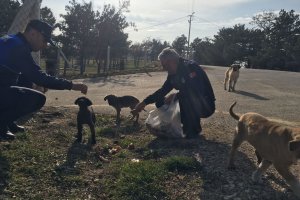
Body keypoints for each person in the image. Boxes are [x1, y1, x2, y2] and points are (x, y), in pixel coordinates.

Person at [0, 19, 88, 140]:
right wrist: (72, 85)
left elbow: (29, 74)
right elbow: (39, 77)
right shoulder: (19, 48)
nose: (45, 45)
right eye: (45, 40)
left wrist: (37, 81)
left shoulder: (11, 40)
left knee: (25, 81)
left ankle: (8, 122)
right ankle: (1, 124)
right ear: (33, 34)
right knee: (37, 99)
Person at [132, 47, 215, 138]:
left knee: (185, 99)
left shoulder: (191, 67)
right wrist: (144, 102)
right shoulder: (173, 73)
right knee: (160, 101)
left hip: (206, 105)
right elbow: (162, 91)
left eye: (165, 65)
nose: (164, 68)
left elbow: (196, 90)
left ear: (172, 61)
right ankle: (174, 125)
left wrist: (176, 95)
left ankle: (193, 130)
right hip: (189, 100)